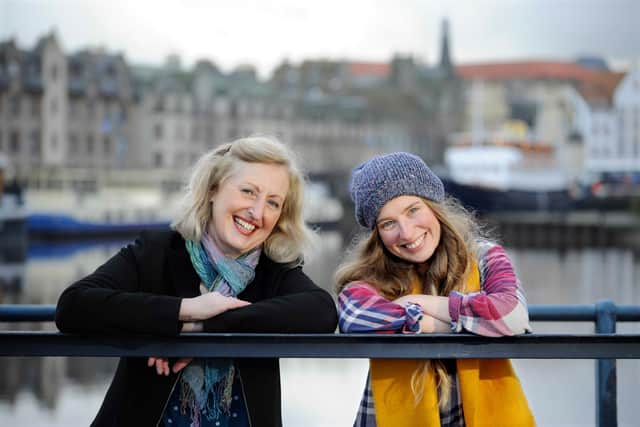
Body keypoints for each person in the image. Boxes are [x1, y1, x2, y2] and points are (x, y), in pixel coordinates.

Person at [56, 136, 338, 427]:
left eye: (273, 203)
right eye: (248, 192)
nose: (257, 212)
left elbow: (322, 311)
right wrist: (184, 310)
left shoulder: (274, 269)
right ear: (213, 189)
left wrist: (203, 328)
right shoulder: (157, 252)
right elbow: (73, 306)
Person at [335, 152, 535, 427]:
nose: (406, 232)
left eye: (412, 210)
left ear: (434, 206)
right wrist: (451, 324)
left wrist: (418, 302)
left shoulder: (485, 256)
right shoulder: (372, 278)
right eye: (388, 223)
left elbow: (512, 315)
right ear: (377, 234)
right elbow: (355, 317)